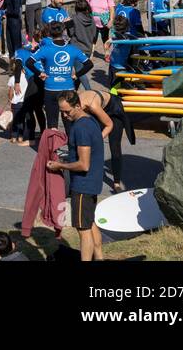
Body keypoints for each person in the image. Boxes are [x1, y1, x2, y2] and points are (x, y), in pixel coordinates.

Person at [47, 91, 105, 261]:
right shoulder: (91, 121)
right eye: (61, 112)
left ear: (78, 106)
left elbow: (83, 164)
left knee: (83, 229)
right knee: (90, 222)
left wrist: (60, 165)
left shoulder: (80, 127)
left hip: (82, 185)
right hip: (92, 182)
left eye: (67, 111)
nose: (64, 115)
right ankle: (99, 257)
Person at [30, 28, 90, 131]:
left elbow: (28, 62)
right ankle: (73, 145)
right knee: (70, 121)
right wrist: (76, 75)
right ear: (63, 32)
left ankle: (52, 146)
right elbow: (89, 64)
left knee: (52, 123)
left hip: (50, 88)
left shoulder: (45, 48)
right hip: (68, 88)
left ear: (50, 34)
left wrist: (40, 73)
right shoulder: (73, 48)